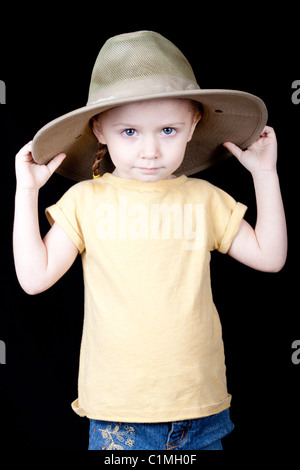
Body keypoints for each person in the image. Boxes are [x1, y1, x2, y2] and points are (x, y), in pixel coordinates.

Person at [13, 31, 287, 450]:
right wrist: (26, 191)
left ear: (194, 124)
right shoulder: (87, 200)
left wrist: (265, 175)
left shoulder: (202, 199)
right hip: (120, 416)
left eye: (168, 129)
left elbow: (270, 257)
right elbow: (34, 278)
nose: (150, 150)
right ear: (99, 129)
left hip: (201, 409)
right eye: (129, 132)